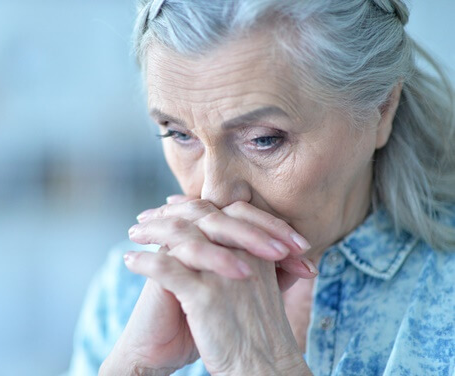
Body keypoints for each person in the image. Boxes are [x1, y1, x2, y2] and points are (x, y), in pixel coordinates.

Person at [68, 0, 455, 374]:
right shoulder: (127, 291)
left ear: (381, 109)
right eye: (180, 134)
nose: (213, 196)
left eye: (264, 139)